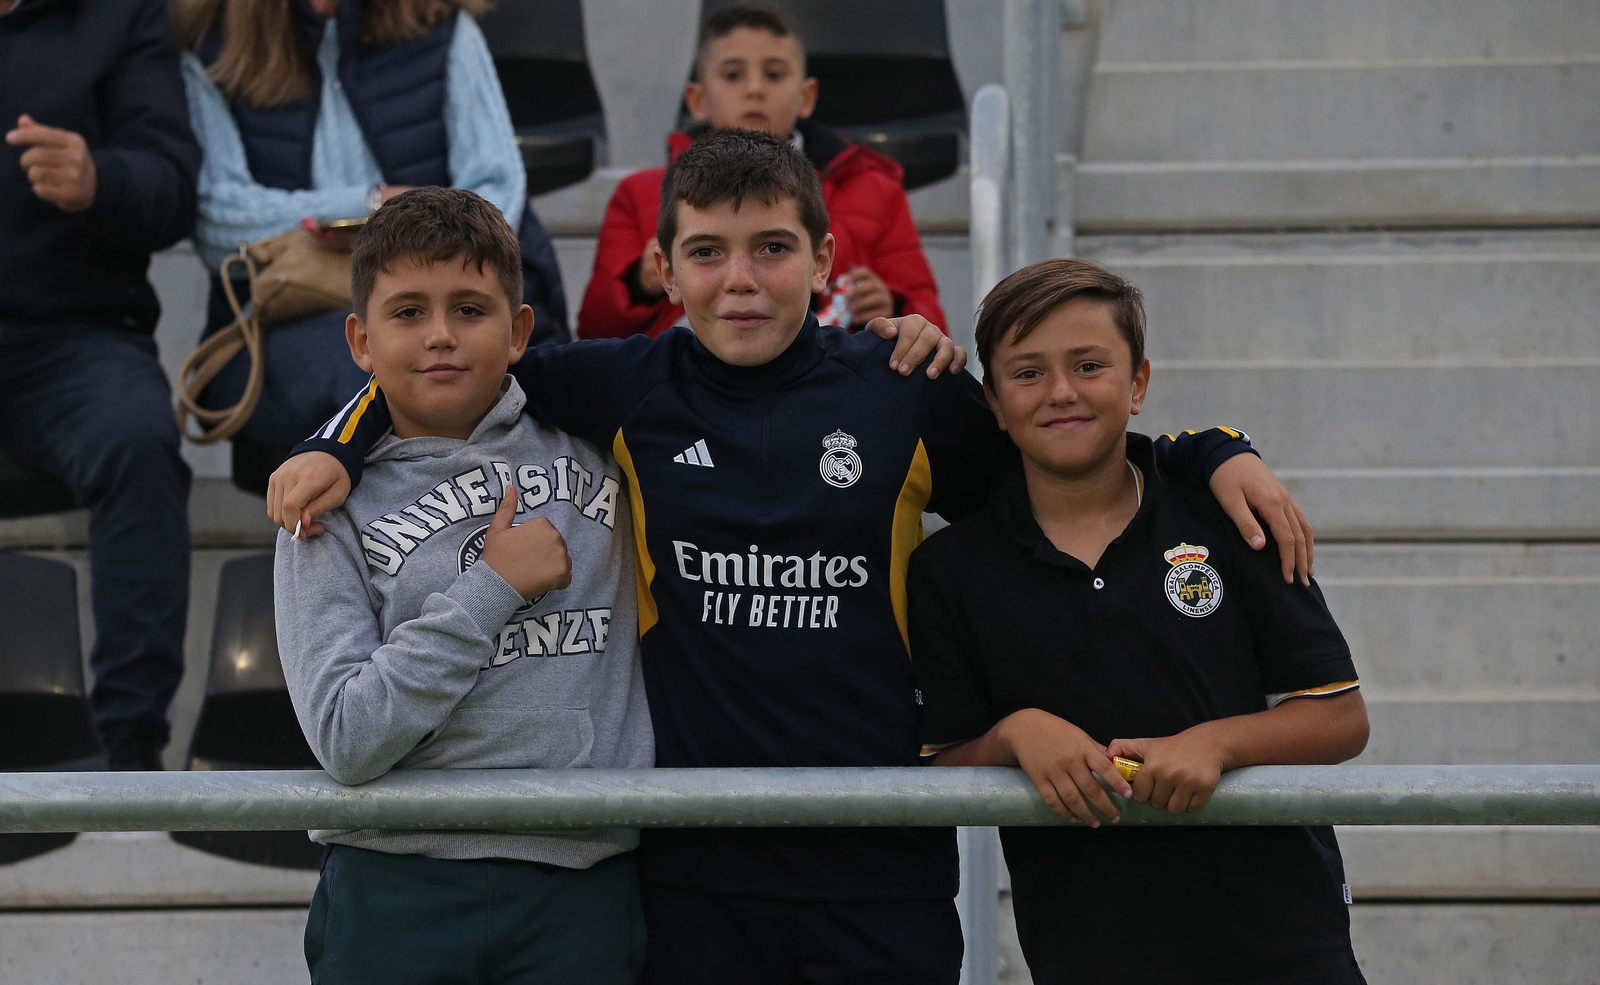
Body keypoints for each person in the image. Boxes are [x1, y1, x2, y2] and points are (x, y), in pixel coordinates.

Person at [270, 131, 1313, 985]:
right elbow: (450, 368)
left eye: (771, 248)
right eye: (708, 252)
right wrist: (334, 439)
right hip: (689, 868)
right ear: (664, 268)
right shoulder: (618, 386)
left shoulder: (904, 389)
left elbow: (1060, 450)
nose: (739, 282)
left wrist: (1202, 450)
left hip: (879, 859)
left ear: (822, 261)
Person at [911, 258, 1369, 985]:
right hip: (1088, 947)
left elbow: (1340, 717)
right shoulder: (951, 570)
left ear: (1139, 383)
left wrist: (1216, 744)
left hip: (1281, 939)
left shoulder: (1231, 518)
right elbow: (937, 765)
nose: (1061, 392)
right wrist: (1014, 733)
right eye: (1027, 373)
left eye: (1089, 364)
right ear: (993, 403)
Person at [275, 187, 652, 984]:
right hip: (396, 880)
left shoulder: (604, 445)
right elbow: (345, 736)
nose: (441, 335)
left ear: (520, 331)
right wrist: (489, 589)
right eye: (407, 312)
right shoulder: (324, 502)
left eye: (471, 309)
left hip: (579, 877)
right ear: (360, 341)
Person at [172, 0, 569, 451]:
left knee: (474, 365)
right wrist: (370, 204)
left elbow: (497, 191)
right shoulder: (213, 47)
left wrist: (406, 231)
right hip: (286, 313)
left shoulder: (439, 25)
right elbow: (218, 222)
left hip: (447, 288)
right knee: (366, 380)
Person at [1, 0, 201, 770]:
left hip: (74, 337)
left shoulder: (118, 16)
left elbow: (174, 185)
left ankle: (129, 745)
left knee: (140, 440)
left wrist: (99, 177)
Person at [577, 3, 947, 340]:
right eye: (733, 75)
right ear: (697, 100)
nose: (755, 89)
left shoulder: (874, 189)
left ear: (807, 96)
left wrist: (892, 310)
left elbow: (932, 328)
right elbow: (593, 330)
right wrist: (639, 285)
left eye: (774, 74)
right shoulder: (640, 193)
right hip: (685, 392)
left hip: (833, 389)